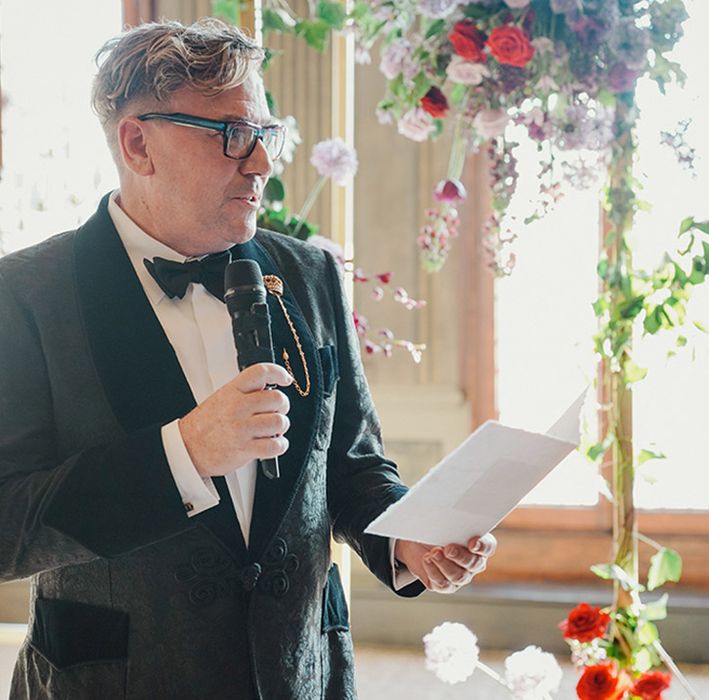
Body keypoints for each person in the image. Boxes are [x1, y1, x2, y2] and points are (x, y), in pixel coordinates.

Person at [0, 18, 496, 699]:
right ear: (138, 143)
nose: (261, 163)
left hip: (298, 674)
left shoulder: (310, 272)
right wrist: (185, 453)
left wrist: (408, 540)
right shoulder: (24, 296)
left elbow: (349, 463)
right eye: (233, 136)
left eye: (266, 136)